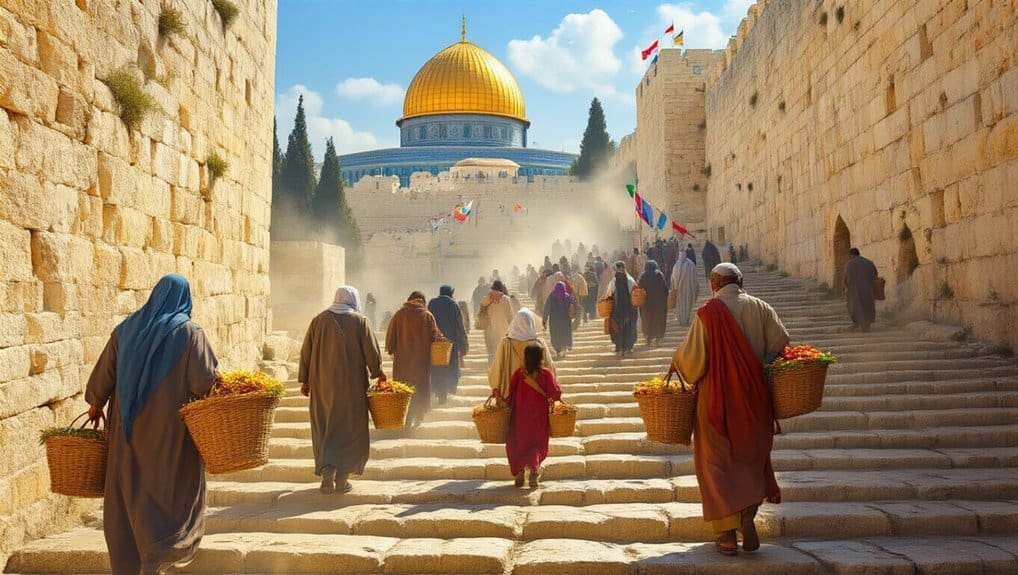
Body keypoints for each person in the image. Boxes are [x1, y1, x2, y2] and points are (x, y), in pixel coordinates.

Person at [85, 274, 219, 575]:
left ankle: (131, 562)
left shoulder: (125, 330)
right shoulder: (189, 332)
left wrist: (95, 404)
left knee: (128, 492)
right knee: (169, 490)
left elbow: (103, 377)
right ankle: (158, 556)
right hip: (169, 433)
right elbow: (204, 382)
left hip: (126, 433)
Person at [671, 263, 789, 556]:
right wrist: (754, 366)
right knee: (751, 459)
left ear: (713, 284)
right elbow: (780, 344)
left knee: (716, 464)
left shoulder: (708, 314)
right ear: (741, 281)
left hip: (716, 402)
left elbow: (692, 361)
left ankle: (726, 534)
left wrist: (677, 361)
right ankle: (747, 516)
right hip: (755, 400)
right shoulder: (762, 308)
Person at [299, 286, 385, 494]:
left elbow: (306, 352)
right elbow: (371, 351)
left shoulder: (318, 320)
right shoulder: (360, 321)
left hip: (322, 387)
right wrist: (378, 372)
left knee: (326, 426)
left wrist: (305, 381)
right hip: (351, 387)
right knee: (351, 429)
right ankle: (342, 478)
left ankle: (327, 471)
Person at [504, 344, 562, 488]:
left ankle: (520, 473)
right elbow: (555, 395)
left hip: (519, 418)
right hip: (539, 418)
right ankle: (534, 473)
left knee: (518, 444)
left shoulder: (519, 374)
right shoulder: (546, 374)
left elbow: (510, 397)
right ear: (541, 357)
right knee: (537, 444)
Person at [385, 292, 443, 428]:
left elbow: (390, 337)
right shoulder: (427, 315)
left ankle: (405, 418)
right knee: (420, 389)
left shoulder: (399, 315)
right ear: (423, 301)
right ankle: (418, 416)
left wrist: (391, 350)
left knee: (404, 389)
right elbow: (436, 336)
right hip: (421, 362)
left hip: (402, 362)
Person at [488, 308, 556, 398]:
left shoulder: (505, 343)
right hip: (537, 393)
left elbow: (497, 366)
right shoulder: (539, 343)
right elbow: (550, 367)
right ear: (531, 322)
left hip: (511, 393)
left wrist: (495, 387)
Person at [428, 286, 469, 404]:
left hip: (435, 344)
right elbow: (460, 326)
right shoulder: (453, 304)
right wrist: (463, 345)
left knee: (436, 368)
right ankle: (444, 394)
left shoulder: (432, 303)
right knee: (449, 367)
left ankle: (438, 391)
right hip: (450, 344)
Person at [604, 261, 639, 355]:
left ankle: (620, 348)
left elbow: (608, 294)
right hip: (629, 310)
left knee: (617, 328)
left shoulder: (613, 281)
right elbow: (636, 293)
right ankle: (628, 348)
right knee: (629, 327)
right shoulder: (630, 280)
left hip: (618, 311)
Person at [478, 280, 514, 364]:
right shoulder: (506, 299)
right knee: (502, 349)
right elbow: (510, 316)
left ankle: (492, 367)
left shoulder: (486, 298)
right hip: (503, 328)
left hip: (490, 329)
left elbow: (481, 309)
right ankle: (502, 366)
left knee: (492, 350)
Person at [844, 247, 878, 332]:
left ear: (851, 254)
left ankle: (857, 324)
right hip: (868, 289)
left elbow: (849, 278)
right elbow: (875, 274)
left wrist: (846, 287)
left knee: (855, 306)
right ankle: (867, 324)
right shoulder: (869, 262)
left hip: (855, 289)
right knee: (868, 305)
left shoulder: (850, 264)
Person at [638, 260, 669, 347]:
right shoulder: (659, 275)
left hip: (647, 305)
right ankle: (658, 339)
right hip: (659, 304)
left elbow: (639, 289)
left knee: (647, 321)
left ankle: (648, 338)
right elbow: (665, 289)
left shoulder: (643, 276)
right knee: (658, 320)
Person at [543, 282, 575, 358]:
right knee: (564, 335)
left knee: (555, 335)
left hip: (554, 321)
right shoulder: (567, 296)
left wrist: (544, 319)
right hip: (565, 321)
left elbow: (547, 308)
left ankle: (558, 351)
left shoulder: (551, 296)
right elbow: (572, 308)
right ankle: (564, 350)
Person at [671, 252, 700, 326]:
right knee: (687, 303)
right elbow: (695, 278)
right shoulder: (691, 264)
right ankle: (686, 319)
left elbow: (674, 278)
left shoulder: (677, 265)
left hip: (679, 290)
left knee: (680, 304)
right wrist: (695, 287)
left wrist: (675, 287)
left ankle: (681, 319)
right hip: (689, 288)